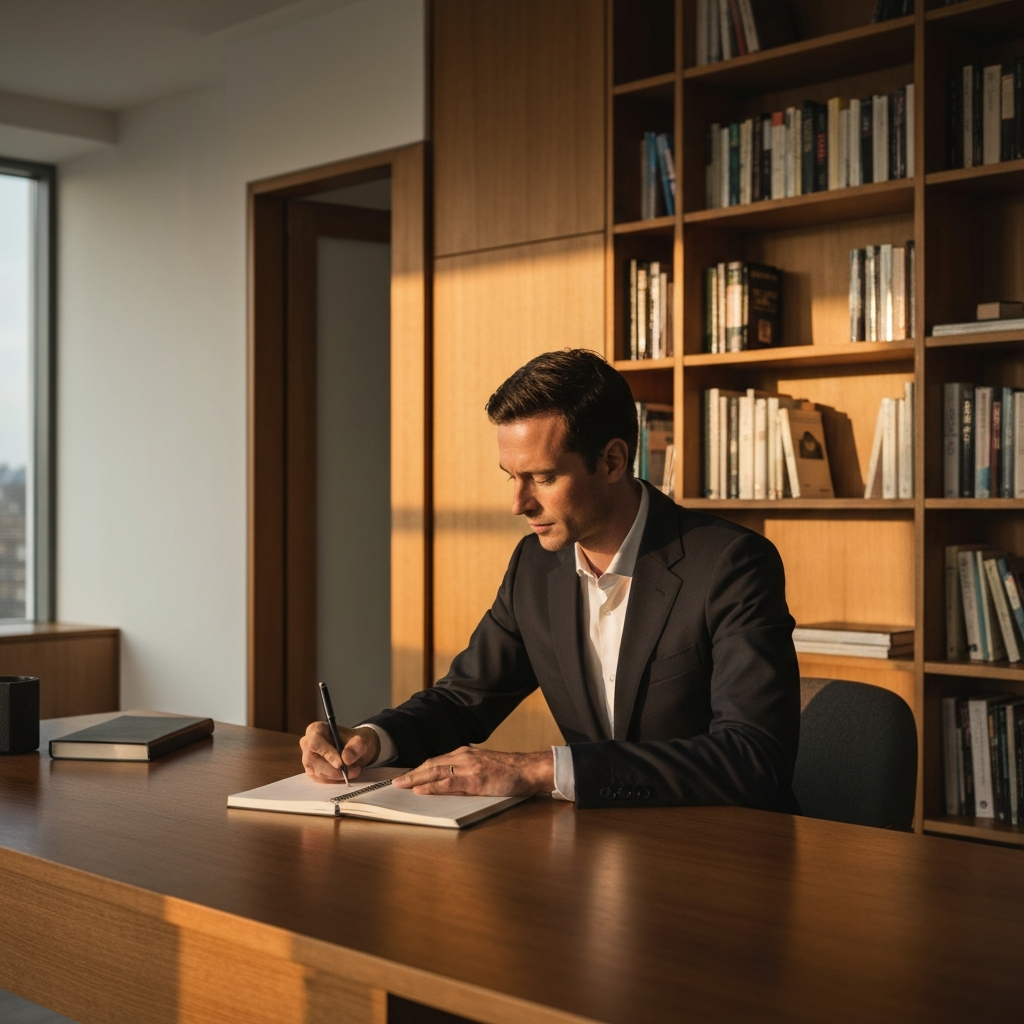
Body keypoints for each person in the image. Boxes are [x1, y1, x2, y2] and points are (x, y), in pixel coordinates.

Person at [300, 349, 800, 810]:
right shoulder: (534, 566)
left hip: (723, 852)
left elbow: (753, 756)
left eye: (541, 478)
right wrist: (370, 738)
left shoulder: (732, 564)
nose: (519, 504)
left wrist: (540, 768)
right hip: (593, 849)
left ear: (612, 461)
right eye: (510, 477)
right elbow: (463, 699)